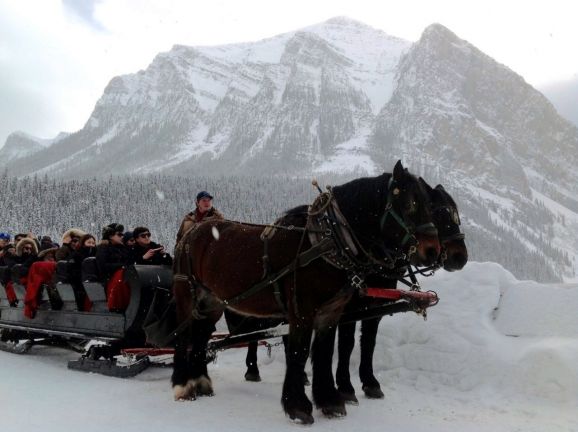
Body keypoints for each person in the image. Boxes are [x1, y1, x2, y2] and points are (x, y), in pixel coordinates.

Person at [96, 223, 135, 312]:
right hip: (109, 278)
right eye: (119, 234)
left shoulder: (123, 248)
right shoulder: (103, 248)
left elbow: (130, 262)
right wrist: (121, 266)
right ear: (110, 236)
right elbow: (103, 266)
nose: (122, 236)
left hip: (124, 276)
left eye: (122, 234)